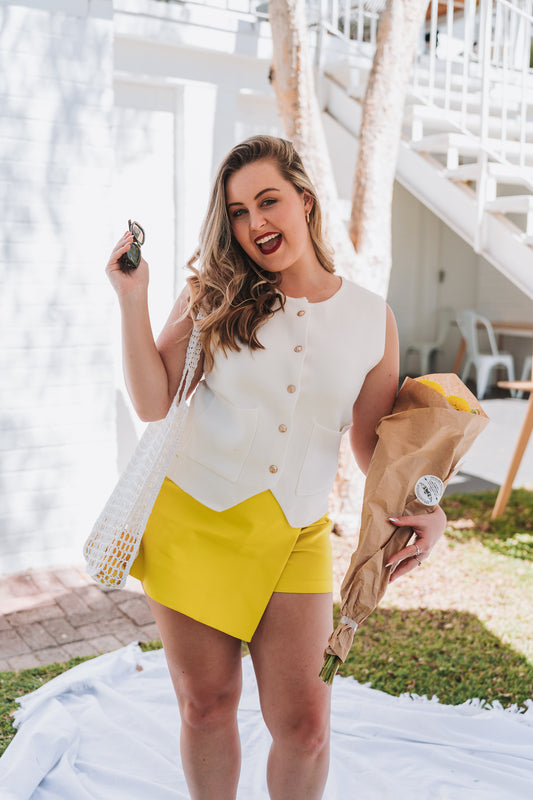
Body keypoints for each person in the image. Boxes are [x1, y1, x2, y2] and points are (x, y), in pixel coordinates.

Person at [105, 135, 446, 800]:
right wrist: (132, 297)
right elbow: (152, 402)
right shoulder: (215, 292)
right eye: (237, 212)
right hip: (193, 521)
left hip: (296, 533)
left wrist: (427, 505)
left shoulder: (371, 318)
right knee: (206, 706)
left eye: (268, 201)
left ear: (305, 202)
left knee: (306, 726)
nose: (255, 222)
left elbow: (371, 445)